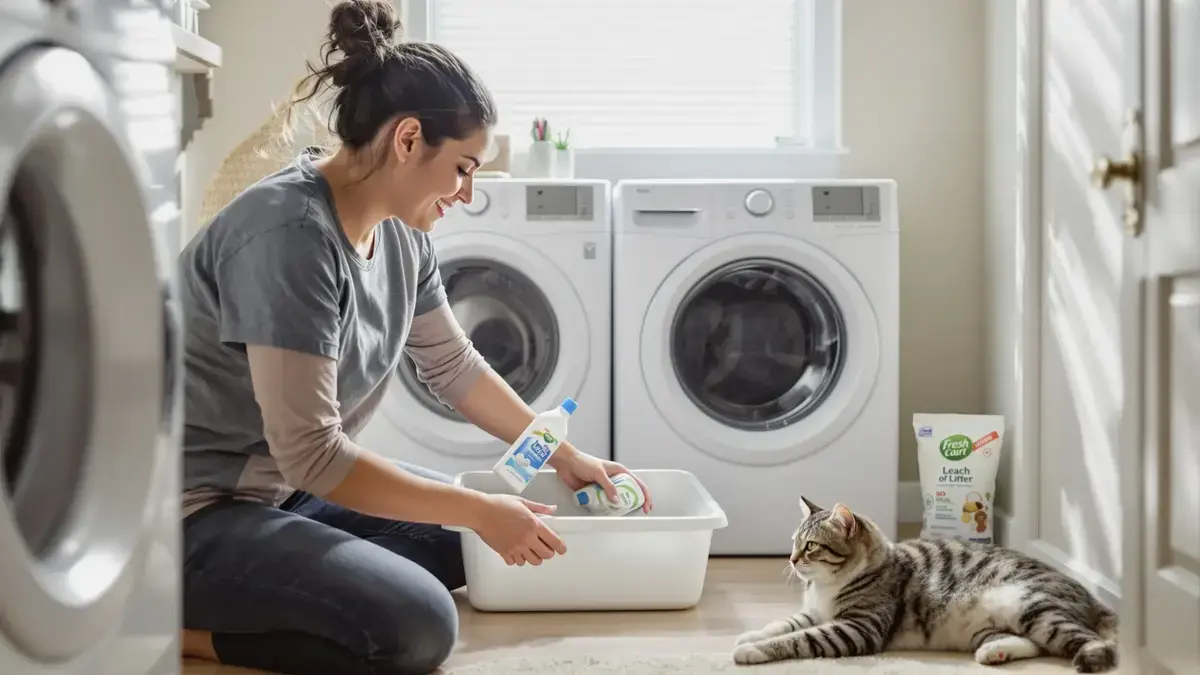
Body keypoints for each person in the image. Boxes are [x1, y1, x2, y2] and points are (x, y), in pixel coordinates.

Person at [175, 2, 652, 674]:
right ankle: (179, 627)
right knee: (420, 624)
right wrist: (478, 507)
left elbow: (454, 366)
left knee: (480, 539)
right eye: (462, 166)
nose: (467, 191)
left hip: (278, 492)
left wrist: (563, 454)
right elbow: (314, 453)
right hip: (193, 513)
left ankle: (298, 588)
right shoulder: (288, 235)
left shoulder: (402, 229)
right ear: (407, 140)